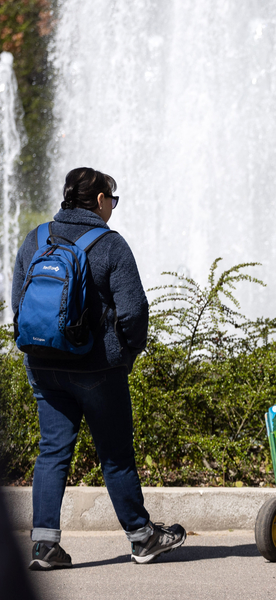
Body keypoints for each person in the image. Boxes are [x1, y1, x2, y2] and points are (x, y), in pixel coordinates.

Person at [11, 167, 186, 569]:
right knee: (116, 455)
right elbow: (134, 310)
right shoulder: (110, 245)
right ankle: (142, 537)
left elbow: (20, 304)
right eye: (114, 200)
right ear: (101, 200)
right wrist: (127, 352)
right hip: (97, 369)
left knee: (52, 452)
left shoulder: (36, 238)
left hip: (42, 365)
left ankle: (44, 547)